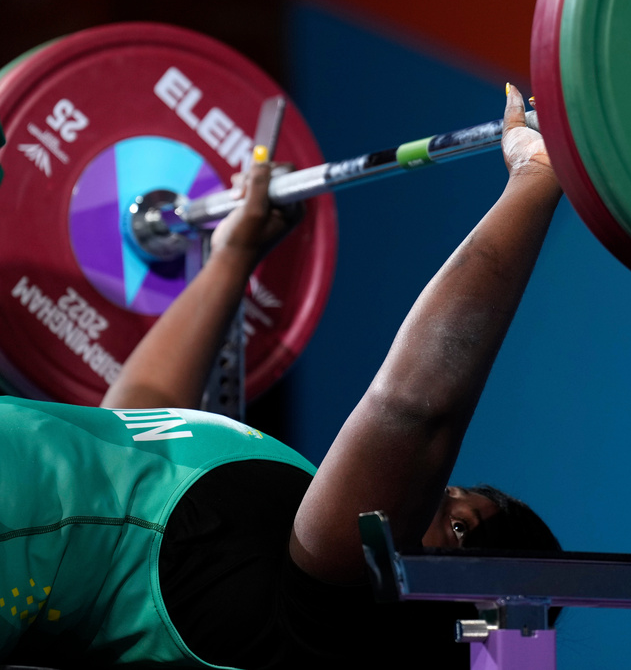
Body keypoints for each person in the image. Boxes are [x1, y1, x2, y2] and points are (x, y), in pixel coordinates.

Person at [0, 84, 562, 668]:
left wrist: (536, 177)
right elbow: (135, 415)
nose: (434, 493)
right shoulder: (288, 510)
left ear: (454, 613)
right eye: (451, 492)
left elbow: (416, 410)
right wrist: (234, 256)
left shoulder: (328, 619)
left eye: (462, 527)